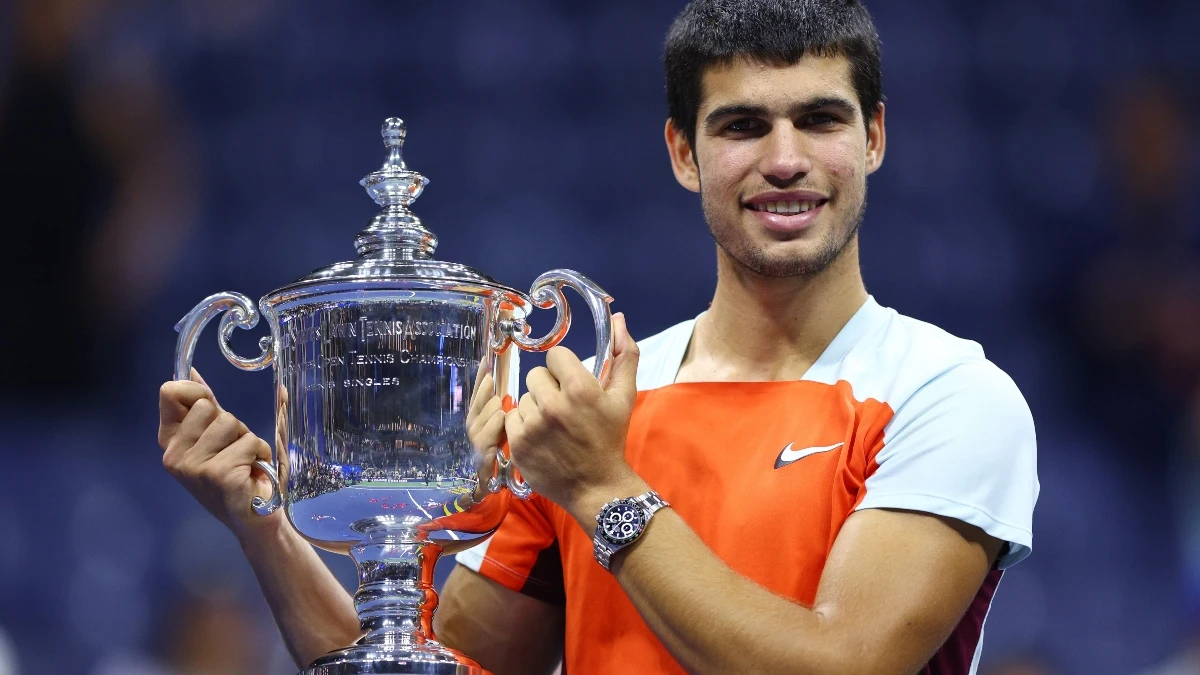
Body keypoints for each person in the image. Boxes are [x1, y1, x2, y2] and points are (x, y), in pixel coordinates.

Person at [157, 1, 1039, 673]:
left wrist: (604, 490)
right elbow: (429, 664)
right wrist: (265, 523)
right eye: (741, 125)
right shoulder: (593, 414)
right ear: (683, 153)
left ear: (874, 136)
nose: (784, 158)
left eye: (820, 118)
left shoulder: (949, 394)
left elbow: (846, 661)